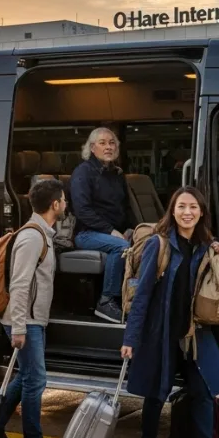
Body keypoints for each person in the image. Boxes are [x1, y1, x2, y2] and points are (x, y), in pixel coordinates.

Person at [121, 186, 219, 438]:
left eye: (194, 207)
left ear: (201, 213)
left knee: (204, 391)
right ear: (172, 211)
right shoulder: (158, 246)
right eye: (182, 207)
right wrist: (131, 339)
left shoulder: (206, 246)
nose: (188, 212)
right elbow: (143, 294)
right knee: (156, 392)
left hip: (194, 334)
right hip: (161, 333)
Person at [0, 178, 66, 438]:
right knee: (36, 380)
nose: (66, 204)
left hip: (34, 320)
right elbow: (20, 284)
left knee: (25, 378)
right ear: (55, 204)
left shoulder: (44, 234)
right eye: (64, 200)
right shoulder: (32, 237)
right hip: (26, 321)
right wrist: (19, 327)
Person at [70, 127, 135, 323]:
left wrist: (133, 229)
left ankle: (132, 297)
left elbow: (125, 208)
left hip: (112, 232)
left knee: (145, 241)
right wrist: (111, 231)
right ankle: (106, 301)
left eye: (112, 143)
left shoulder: (116, 174)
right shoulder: (83, 172)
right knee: (122, 247)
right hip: (87, 233)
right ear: (92, 148)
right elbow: (82, 211)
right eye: (103, 143)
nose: (108, 147)